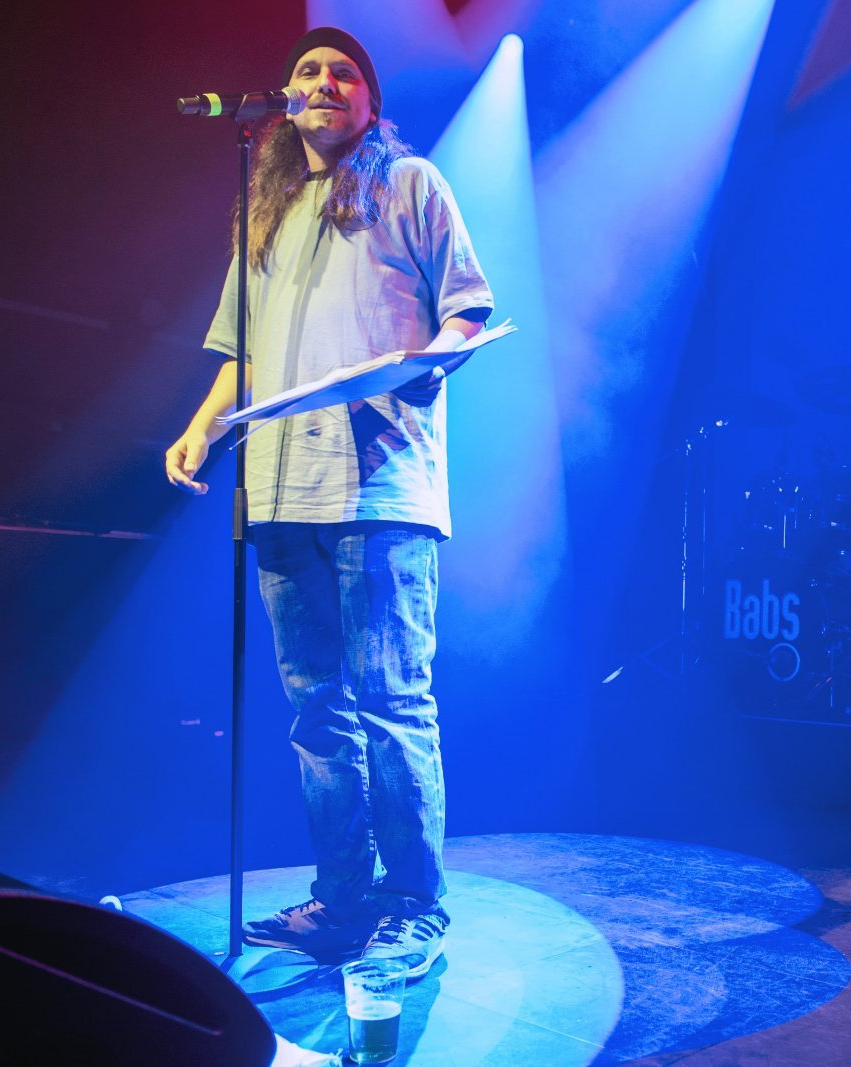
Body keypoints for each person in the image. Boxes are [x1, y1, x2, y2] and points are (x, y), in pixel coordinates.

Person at [164, 25, 493, 979]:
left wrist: (437, 355)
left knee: (392, 702)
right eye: (306, 70)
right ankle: (344, 899)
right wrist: (199, 429)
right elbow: (242, 354)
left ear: (371, 102)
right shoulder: (264, 212)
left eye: (344, 72)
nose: (322, 82)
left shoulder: (410, 184)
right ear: (281, 103)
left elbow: (467, 309)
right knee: (316, 710)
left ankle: (414, 906)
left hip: (379, 487)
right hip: (278, 490)